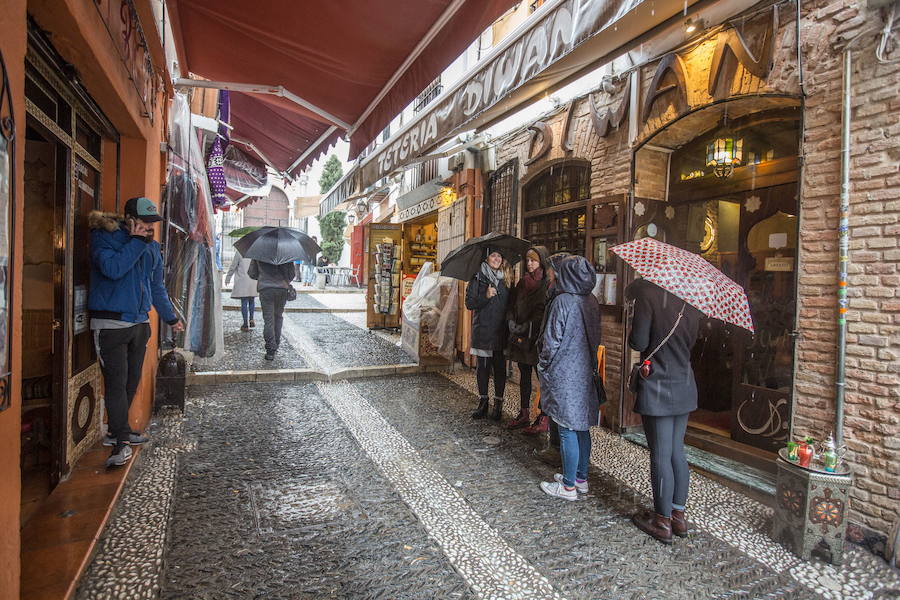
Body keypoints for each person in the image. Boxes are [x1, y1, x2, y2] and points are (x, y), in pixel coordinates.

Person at [89, 197, 184, 468]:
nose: (148, 227)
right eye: (144, 222)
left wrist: (170, 317)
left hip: (139, 324)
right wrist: (136, 242)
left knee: (131, 382)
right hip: (110, 325)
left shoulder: (151, 247)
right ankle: (120, 442)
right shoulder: (104, 237)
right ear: (129, 219)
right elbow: (112, 269)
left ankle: (116, 430)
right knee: (117, 384)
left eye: (152, 222)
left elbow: (156, 287)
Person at [627, 277, 701, 543]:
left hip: (658, 383)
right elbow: (691, 342)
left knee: (660, 454)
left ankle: (661, 521)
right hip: (684, 381)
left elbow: (638, 341)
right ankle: (678, 516)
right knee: (676, 452)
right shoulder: (692, 298)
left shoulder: (649, 293)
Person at [537, 255, 601, 501]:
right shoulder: (592, 300)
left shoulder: (563, 301)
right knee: (582, 426)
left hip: (564, 372)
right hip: (585, 372)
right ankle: (581, 478)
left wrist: (543, 365)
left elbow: (551, 341)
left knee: (566, 428)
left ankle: (568, 486)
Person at [504, 246, 550, 429]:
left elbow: (544, 313)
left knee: (542, 379)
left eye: (534, 260)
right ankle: (523, 413)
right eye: (528, 260)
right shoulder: (521, 283)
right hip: (520, 339)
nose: (529, 263)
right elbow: (511, 305)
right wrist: (510, 322)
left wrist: (528, 326)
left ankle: (543, 417)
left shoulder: (547, 284)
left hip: (537, 340)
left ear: (542, 262)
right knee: (524, 376)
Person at [465, 249, 513, 420]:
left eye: (499, 256)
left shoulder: (506, 280)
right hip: (483, 330)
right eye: (493, 255)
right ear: (486, 258)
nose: (497, 258)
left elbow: (510, 306)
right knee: (483, 368)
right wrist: (485, 296)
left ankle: (498, 404)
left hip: (501, 331)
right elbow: (469, 304)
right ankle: (483, 402)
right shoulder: (477, 278)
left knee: (500, 368)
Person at [248, 259, 295, 360]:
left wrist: (262, 276)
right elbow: (292, 274)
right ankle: (276, 343)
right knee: (278, 317)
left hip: (265, 289)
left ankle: (270, 350)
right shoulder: (286, 253)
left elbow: (252, 273)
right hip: (282, 289)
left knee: (268, 320)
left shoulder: (259, 252)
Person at [225, 249, 258, 331]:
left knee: (244, 302)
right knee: (252, 300)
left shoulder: (239, 252)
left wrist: (228, 278)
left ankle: (245, 324)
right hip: (253, 280)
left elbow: (233, 266)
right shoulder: (255, 251)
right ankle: (251, 319)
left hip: (243, 281)